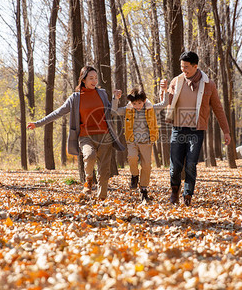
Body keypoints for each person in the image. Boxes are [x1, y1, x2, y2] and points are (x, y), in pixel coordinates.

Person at [27, 66, 125, 200]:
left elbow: (111, 112)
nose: (94, 81)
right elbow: (58, 112)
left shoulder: (102, 93)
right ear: (83, 80)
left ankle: (101, 198)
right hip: (86, 136)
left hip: (105, 135)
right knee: (89, 157)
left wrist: (115, 98)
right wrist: (38, 123)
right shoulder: (75, 98)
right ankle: (89, 179)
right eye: (91, 78)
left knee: (104, 170)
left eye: (96, 78)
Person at [165, 51, 231, 206]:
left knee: (190, 164)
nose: (183, 70)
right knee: (175, 166)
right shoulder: (176, 81)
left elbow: (218, 108)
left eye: (186, 67)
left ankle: (187, 196)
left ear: (195, 66)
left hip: (196, 130)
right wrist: (164, 90)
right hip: (178, 129)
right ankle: (175, 191)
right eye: (182, 66)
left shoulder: (208, 84)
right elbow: (166, 103)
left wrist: (226, 131)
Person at [112, 80, 168, 202]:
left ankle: (143, 189)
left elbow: (165, 103)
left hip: (146, 141)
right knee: (132, 158)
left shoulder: (150, 108)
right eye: (134, 103)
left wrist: (164, 90)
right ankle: (134, 175)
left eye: (139, 103)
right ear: (131, 103)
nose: (137, 106)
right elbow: (114, 112)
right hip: (132, 140)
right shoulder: (127, 109)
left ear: (143, 101)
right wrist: (115, 98)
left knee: (147, 165)